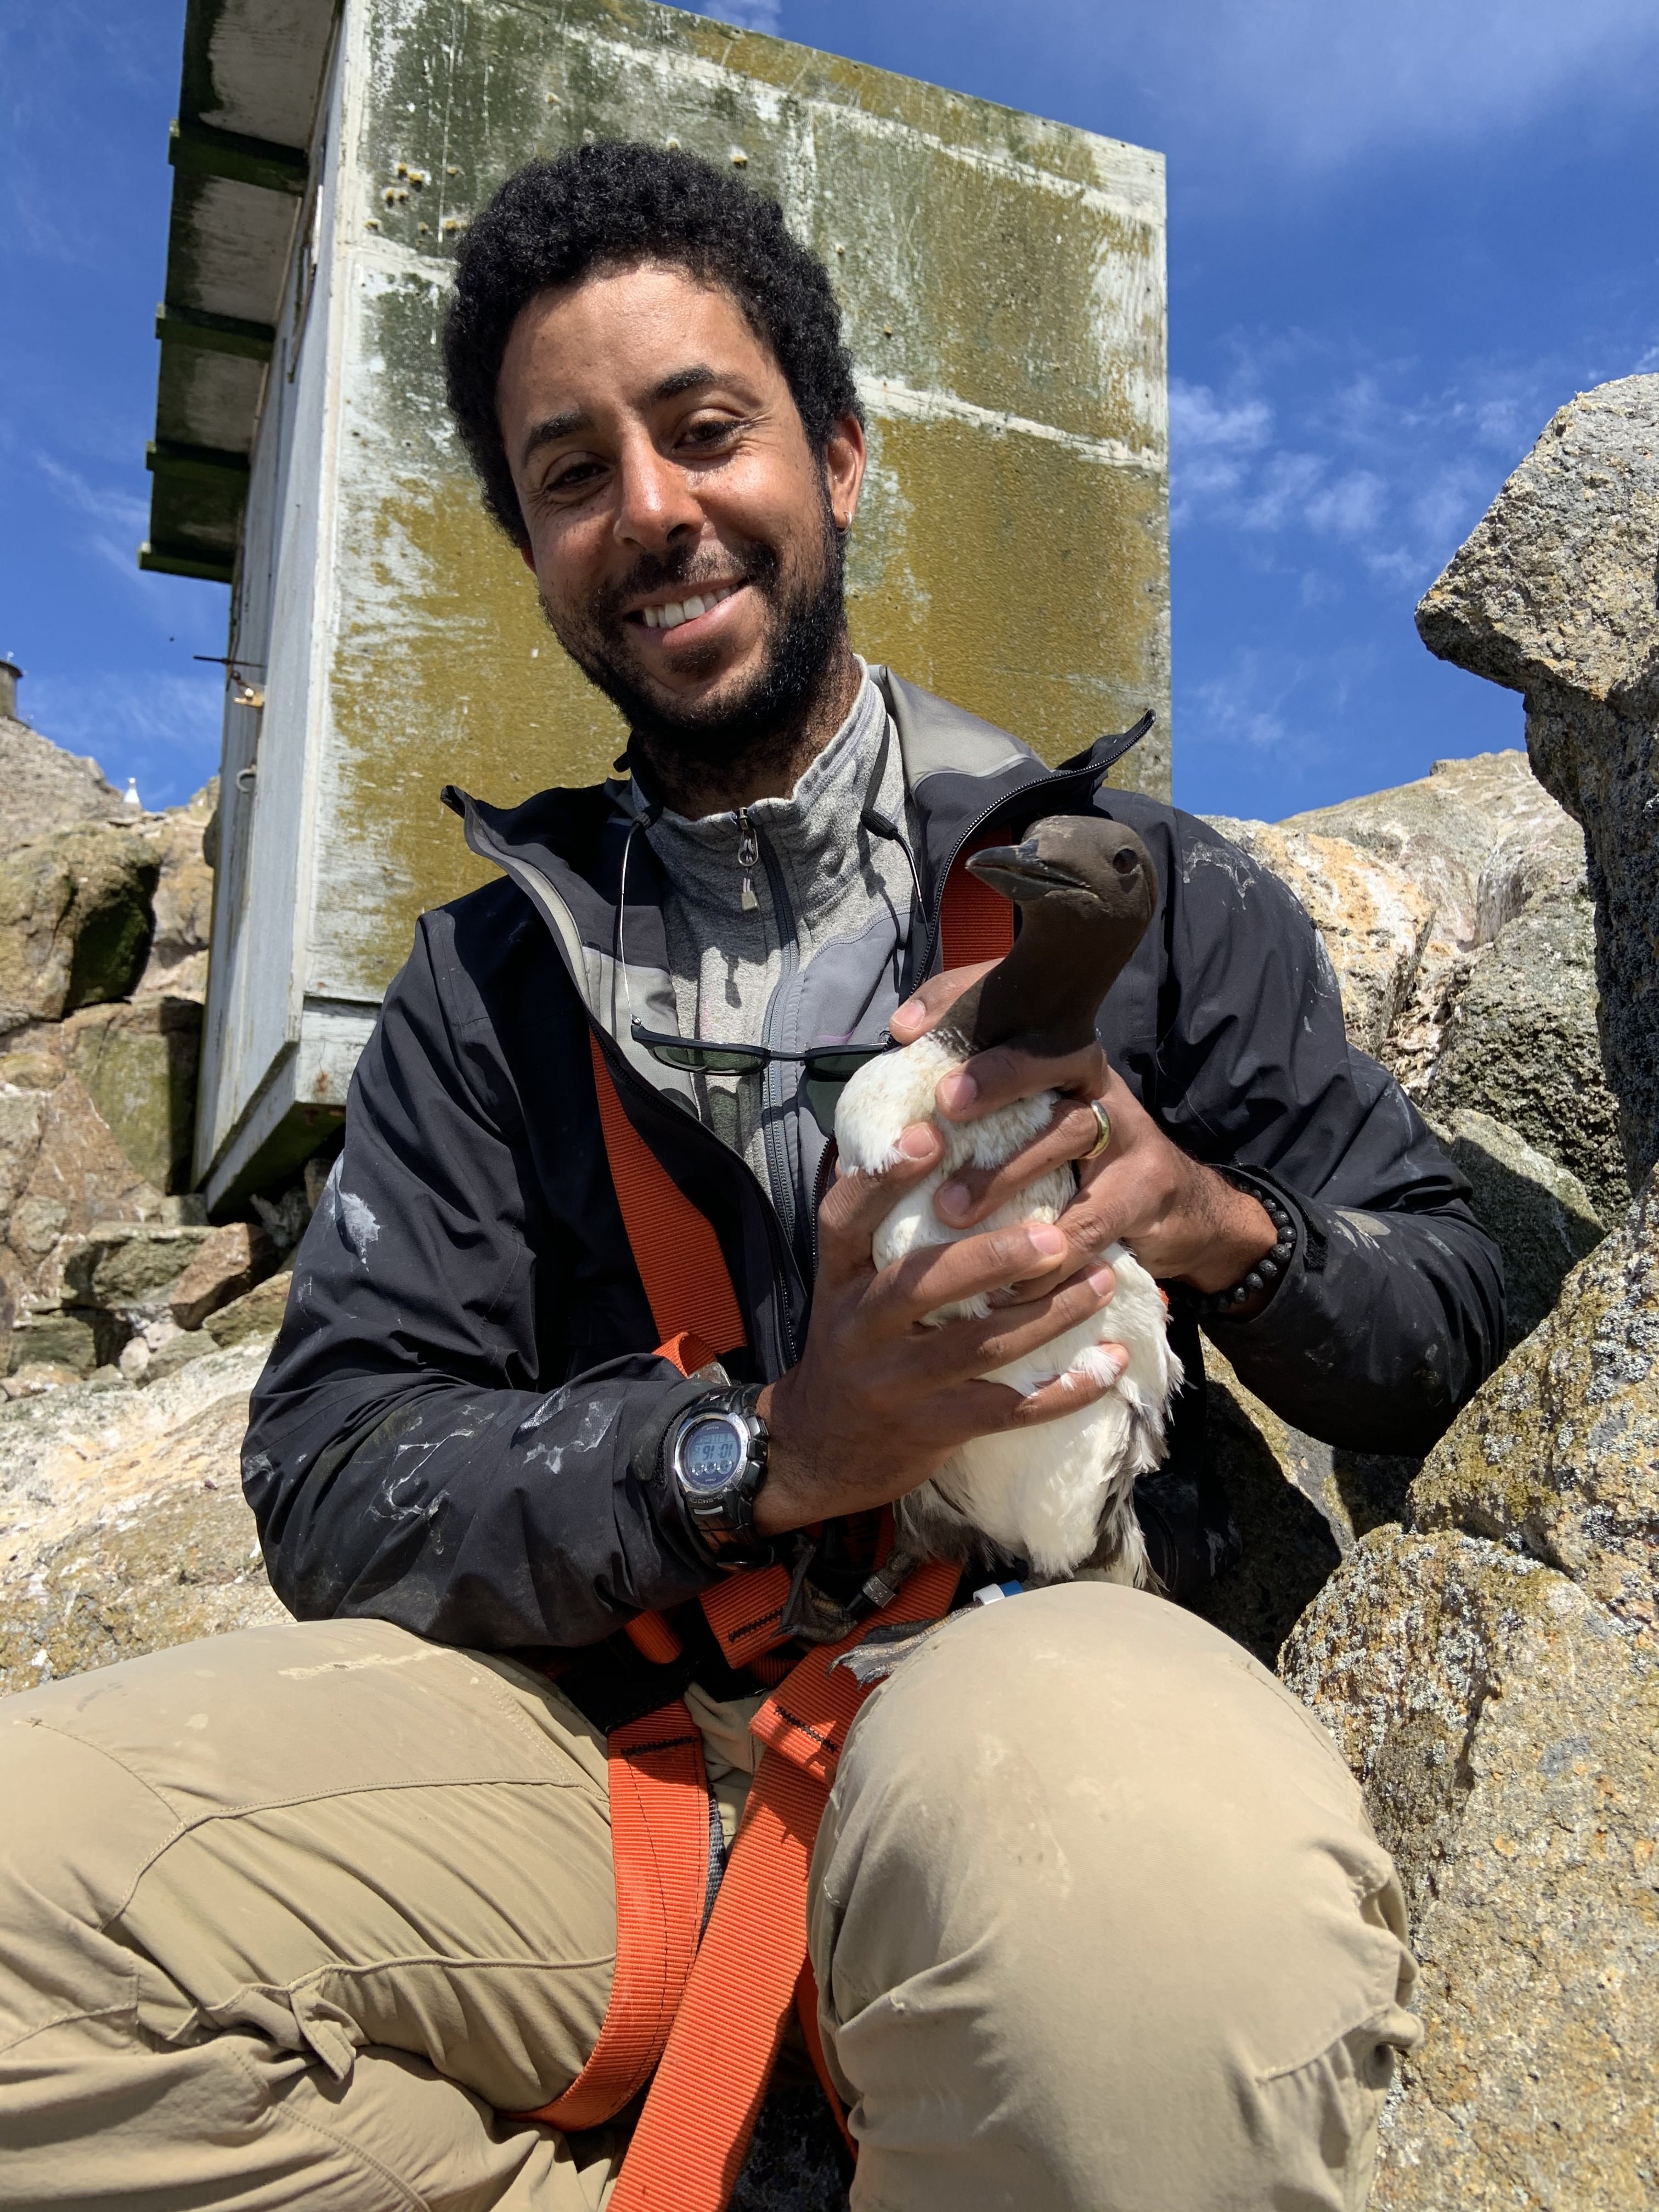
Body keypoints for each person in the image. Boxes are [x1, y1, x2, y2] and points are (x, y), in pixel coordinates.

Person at [0, 142, 1500, 2211]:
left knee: (1172, 2005)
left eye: (705, 430)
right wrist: (754, 1458)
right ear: (535, 552)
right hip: (597, 1776)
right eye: (571, 474)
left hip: (1035, 1686)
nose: (654, 511)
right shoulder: (485, 986)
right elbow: (337, 1469)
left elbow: (1451, 1304)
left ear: (846, 456)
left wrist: (1209, 1223)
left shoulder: (1140, 893)